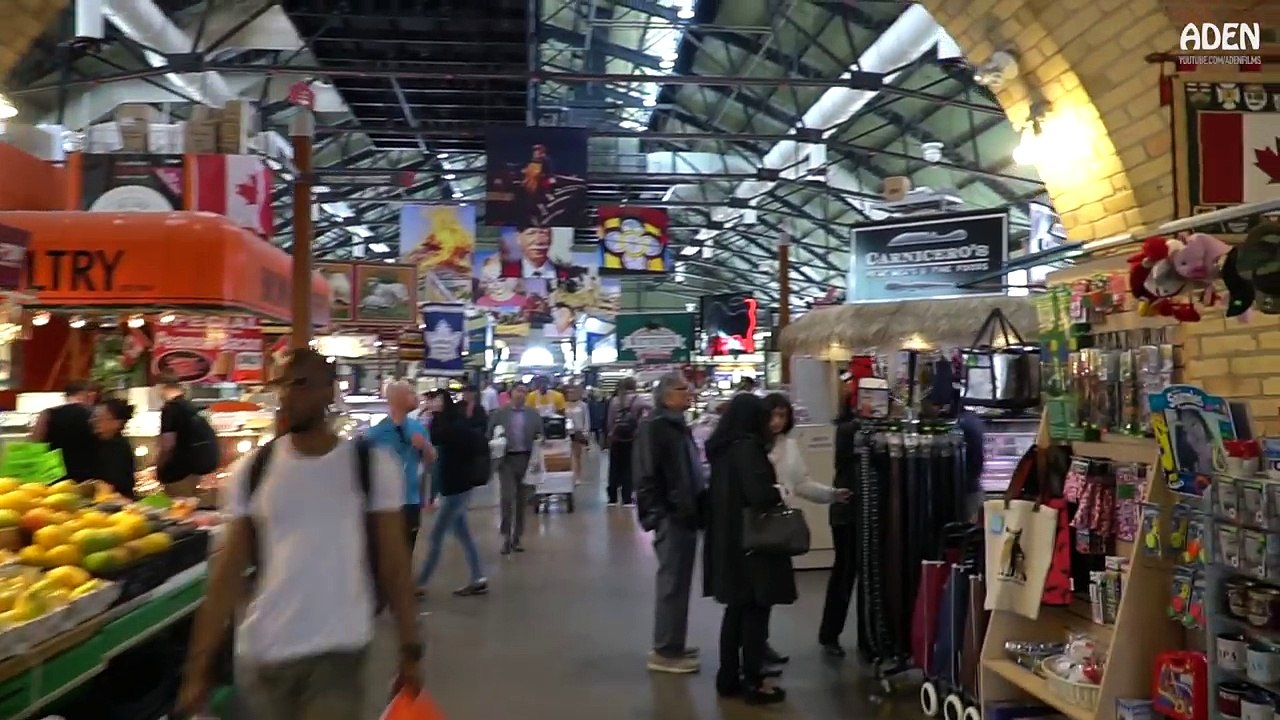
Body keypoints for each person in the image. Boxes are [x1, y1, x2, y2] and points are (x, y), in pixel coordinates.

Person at [177, 349, 422, 719]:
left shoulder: (371, 467)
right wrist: (198, 669)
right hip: (264, 656)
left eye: (303, 383)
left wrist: (411, 648)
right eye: (284, 384)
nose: (291, 393)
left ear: (329, 392)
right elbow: (226, 575)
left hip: (338, 652)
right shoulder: (253, 471)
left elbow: (394, 564)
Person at [704, 394, 795, 705]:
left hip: (727, 541)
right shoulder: (748, 449)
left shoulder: (721, 450)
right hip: (753, 544)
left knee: (735, 611)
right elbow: (758, 495)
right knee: (756, 611)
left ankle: (728, 677)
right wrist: (780, 492)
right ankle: (754, 681)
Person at [762, 393, 852, 661]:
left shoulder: (789, 446)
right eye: (773, 415)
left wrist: (831, 494)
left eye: (782, 416)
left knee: (768, 590)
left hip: (778, 525)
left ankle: (760, 645)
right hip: (755, 525)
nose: (777, 421)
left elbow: (801, 483)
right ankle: (751, 650)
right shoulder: (752, 445)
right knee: (754, 591)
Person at [634, 372, 705, 674]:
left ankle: (674, 642)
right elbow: (646, 475)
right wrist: (657, 515)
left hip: (685, 514)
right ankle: (664, 650)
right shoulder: (656, 428)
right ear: (665, 396)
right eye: (681, 389)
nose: (688, 393)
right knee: (672, 584)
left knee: (680, 583)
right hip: (671, 517)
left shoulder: (678, 427)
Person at [416, 390, 488, 597]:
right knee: (463, 535)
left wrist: (430, 496)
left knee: (436, 536)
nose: (432, 403)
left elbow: (438, 460)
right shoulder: (451, 424)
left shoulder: (447, 429)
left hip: (455, 489)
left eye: (437, 400)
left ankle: (420, 583)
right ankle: (478, 577)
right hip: (458, 487)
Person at [367, 381, 435, 552]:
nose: (417, 397)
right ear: (399, 398)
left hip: (410, 502)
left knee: (407, 551)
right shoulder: (376, 434)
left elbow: (431, 460)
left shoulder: (418, 428)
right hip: (384, 504)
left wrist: (425, 447)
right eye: (411, 393)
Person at [819, 418, 863, 658]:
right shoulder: (850, 430)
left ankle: (836, 635)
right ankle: (830, 634)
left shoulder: (850, 430)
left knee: (847, 574)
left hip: (852, 511)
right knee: (845, 573)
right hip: (847, 512)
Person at [488, 383, 543, 555]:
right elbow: (489, 434)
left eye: (525, 392)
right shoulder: (499, 414)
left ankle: (517, 537)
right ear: (511, 393)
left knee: (522, 500)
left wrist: (540, 441)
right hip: (506, 461)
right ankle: (506, 536)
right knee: (507, 497)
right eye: (518, 391)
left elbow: (541, 434)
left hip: (526, 459)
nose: (521, 395)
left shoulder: (533, 414)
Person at [156, 374, 220, 497]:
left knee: (177, 508)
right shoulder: (189, 406)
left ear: (163, 387)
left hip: (178, 472)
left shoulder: (170, 409)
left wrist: (159, 466)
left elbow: (168, 445)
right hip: (193, 471)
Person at [32, 380, 97, 481]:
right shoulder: (95, 415)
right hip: (87, 474)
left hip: (53, 472)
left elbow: (35, 442)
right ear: (87, 394)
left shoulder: (47, 414)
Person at [605, 377, 645, 507]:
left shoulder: (615, 400)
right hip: (631, 438)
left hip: (616, 438)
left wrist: (611, 433)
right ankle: (626, 498)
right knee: (629, 467)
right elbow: (650, 410)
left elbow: (610, 420)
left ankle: (612, 498)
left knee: (614, 467)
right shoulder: (638, 400)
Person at [93, 397, 137, 500]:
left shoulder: (118, 448)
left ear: (117, 423)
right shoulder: (99, 442)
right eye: (95, 416)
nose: (95, 420)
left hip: (117, 505)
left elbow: (112, 484)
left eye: (100, 417)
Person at [564, 385, 590, 484]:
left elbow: (586, 419)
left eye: (573, 392)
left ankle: (578, 475)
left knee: (577, 455)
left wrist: (585, 432)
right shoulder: (565, 405)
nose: (571, 395)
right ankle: (570, 474)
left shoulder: (583, 405)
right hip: (567, 432)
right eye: (569, 393)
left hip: (578, 432)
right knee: (568, 455)